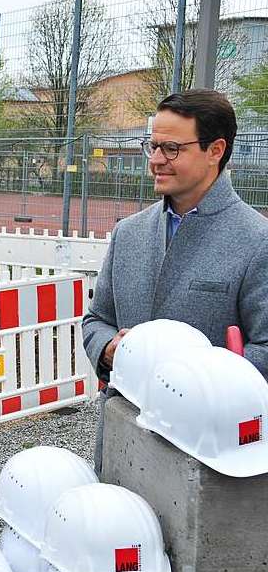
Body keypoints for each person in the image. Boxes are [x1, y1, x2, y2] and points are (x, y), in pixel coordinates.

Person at [83, 89, 268, 474]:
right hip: (123, 441)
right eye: (150, 147)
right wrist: (109, 349)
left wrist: (202, 379)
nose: (155, 161)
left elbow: (264, 347)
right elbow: (96, 321)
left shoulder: (256, 240)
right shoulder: (128, 233)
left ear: (216, 150)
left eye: (171, 148)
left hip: (208, 458)